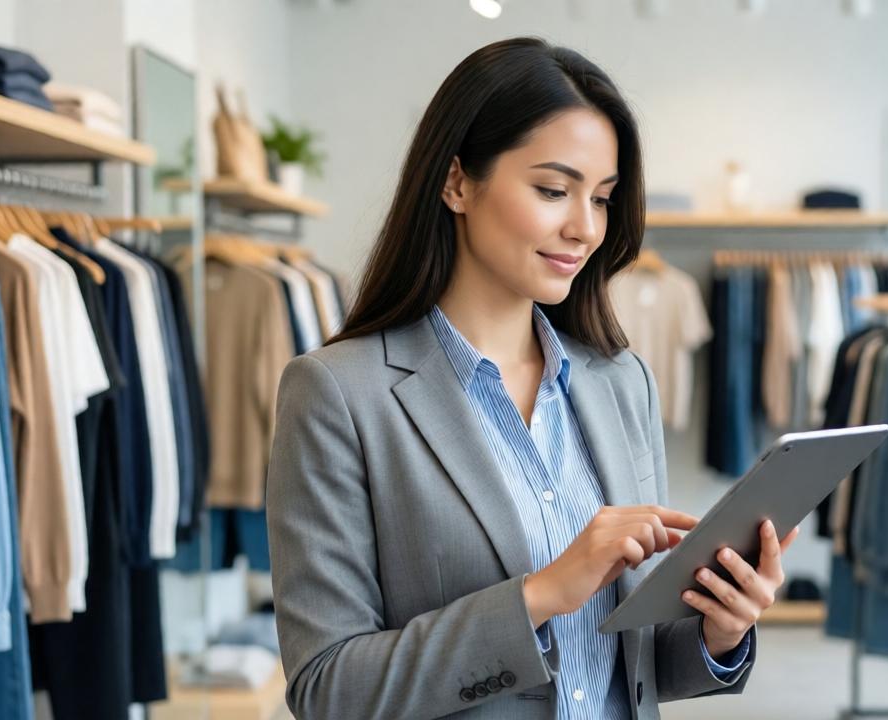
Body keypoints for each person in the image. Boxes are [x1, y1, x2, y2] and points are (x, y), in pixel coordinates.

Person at [266, 37, 799, 719]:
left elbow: (629, 665)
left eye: (602, 198)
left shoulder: (620, 381)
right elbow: (327, 688)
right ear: (457, 181)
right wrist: (542, 593)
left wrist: (720, 632)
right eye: (553, 190)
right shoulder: (338, 394)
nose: (584, 227)